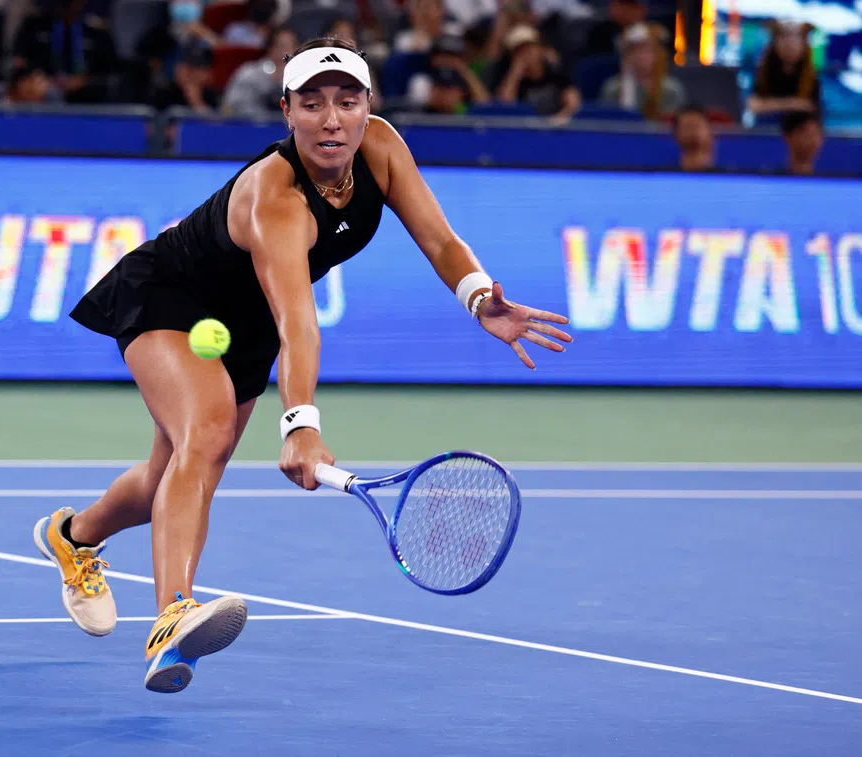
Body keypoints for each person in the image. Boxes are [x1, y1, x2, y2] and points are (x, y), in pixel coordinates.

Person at [32, 36, 572, 695]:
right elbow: (298, 319)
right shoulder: (276, 196)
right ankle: (172, 616)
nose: (332, 118)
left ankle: (74, 536)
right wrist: (300, 424)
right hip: (173, 295)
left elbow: (438, 237)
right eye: (312, 104)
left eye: (348, 101)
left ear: (368, 106)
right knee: (200, 437)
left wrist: (480, 297)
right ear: (286, 112)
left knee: (168, 475)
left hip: (250, 322)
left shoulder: (381, 149)